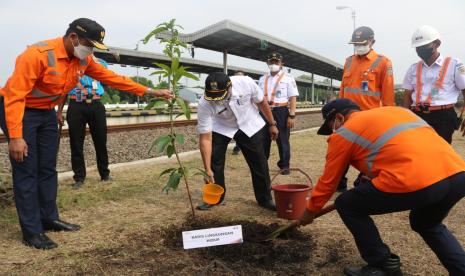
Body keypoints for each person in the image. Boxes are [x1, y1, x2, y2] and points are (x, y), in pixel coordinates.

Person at [0, 18, 172, 250]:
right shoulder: (37, 54)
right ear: (73, 38)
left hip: (46, 111)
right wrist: (16, 135)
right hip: (19, 109)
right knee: (27, 169)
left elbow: (113, 79)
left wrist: (150, 91)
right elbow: (14, 95)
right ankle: (32, 231)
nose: (90, 51)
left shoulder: (84, 59)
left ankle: (49, 218)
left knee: (47, 168)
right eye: (88, 45)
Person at [298, 99, 465, 275]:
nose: (333, 130)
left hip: (417, 180)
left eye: (332, 125)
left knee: (347, 204)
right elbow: (404, 147)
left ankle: (381, 265)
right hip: (457, 174)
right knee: (426, 223)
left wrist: (309, 211)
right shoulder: (398, 112)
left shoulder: (344, 133)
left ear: (339, 117)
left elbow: (328, 182)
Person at [196, 72, 278, 211]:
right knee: (214, 161)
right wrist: (207, 169)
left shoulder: (245, 83)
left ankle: (265, 198)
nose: (216, 100)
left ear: (230, 87)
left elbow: (261, 102)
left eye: (219, 96)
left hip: (249, 123)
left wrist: (272, 123)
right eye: (213, 97)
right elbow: (205, 138)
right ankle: (215, 198)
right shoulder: (204, 103)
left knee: (259, 161)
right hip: (222, 126)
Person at [337, 26, 395, 192]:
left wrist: (387, 118)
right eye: (355, 43)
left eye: (362, 43)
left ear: (372, 41)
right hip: (347, 117)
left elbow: (388, 93)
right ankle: (339, 181)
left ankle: (361, 182)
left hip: (369, 118)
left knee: (367, 152)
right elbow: (343, 88)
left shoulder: (383, 62)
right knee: (343, 150)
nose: (358, 46)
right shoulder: (348, 61)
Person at [402, 25, 465, 144]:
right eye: (417, 47)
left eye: (424, 46)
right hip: (417, 115)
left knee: (441, 153)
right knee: (418, 150)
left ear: (436, 44)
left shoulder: (454, 65)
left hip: (443, 117)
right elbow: (407, 95)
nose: (420, 49)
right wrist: (405, 118)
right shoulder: (413, 69)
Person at [57, 58, 112, 189]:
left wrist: (97, 92)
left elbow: (106, 82)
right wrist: (59, 112)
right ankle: (79, 177)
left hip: (96, 105)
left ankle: (105, 174)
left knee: (101, 141)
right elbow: (64, 90)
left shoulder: (102, 63)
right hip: (76, 104)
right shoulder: (70, 63)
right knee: (76, 143)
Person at [258, 52, 298, 175]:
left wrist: (291, 115)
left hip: (281, 111)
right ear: (267, 63)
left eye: (276, 62)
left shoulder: (288, 78)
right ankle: (262, 164)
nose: (273, 64)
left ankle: (284, 165)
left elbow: (292, 98)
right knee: (263, 139)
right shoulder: (262, 78)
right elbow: (258, 97)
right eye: (271, 62)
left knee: (283, 139)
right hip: (265, 111)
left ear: (281, 64)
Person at [231, 70, 246, 155]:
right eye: (237, 76)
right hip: (234, 114)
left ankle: (239, 147)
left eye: (241, 76)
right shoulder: (231, 88)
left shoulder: (248, 87)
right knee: (237, 131)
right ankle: (238, 146)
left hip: (246, 114)